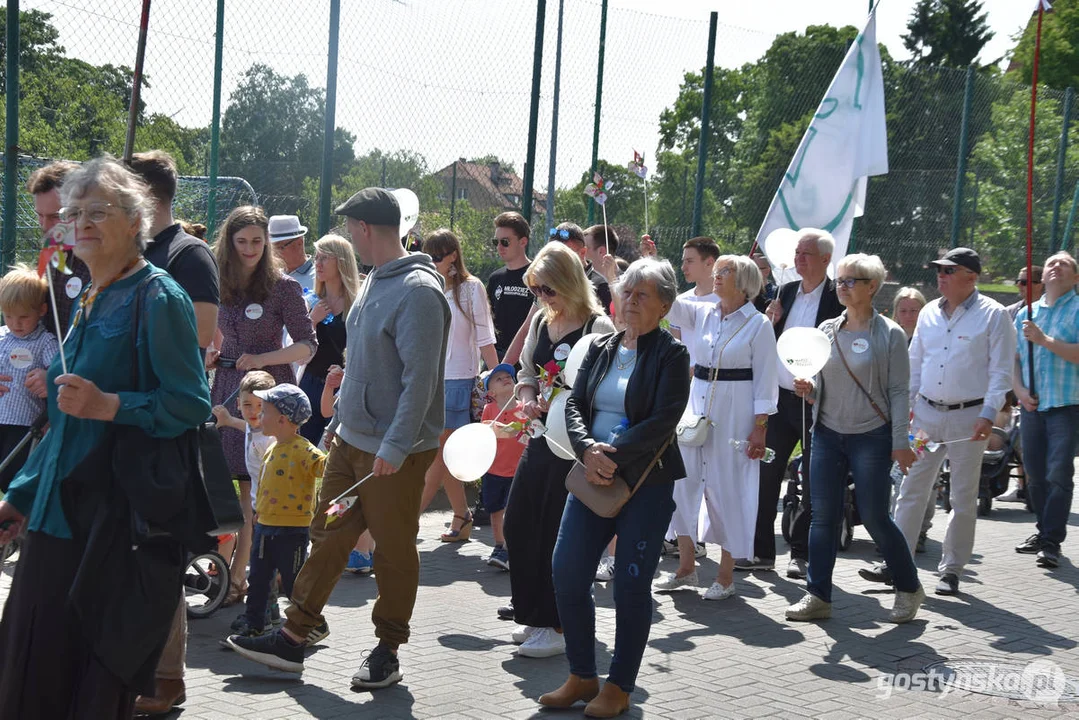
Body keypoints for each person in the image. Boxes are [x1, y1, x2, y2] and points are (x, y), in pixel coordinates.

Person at [0, 156, 211, 718]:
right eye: (74, 212)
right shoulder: (90, 296)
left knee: (85, 679)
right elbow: (66, 422)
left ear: (134, 219)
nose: (83, 222)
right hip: (54, 516)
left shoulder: (159, 296)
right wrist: (20, 497)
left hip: (109, 520)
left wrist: (112, 405)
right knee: (28, 665)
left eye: (100, 211)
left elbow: (190, 403)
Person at [228, 187, 449, 691]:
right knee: (327, 532)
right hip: (350, 447)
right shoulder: (374, 283)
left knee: (392, 552)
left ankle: (388, 648)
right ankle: (292, 638)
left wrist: (393, 448)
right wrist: (337, 425)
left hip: (395, 456)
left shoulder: (419, 292)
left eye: (352, 229)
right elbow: (360, 367)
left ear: (367, 229)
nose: (349, 238)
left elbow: (422, 383)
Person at [539, 258, 689, 717]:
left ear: (664, 305)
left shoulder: (672, 355)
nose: (630, 302)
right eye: (626, 293)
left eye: (642, 295)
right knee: (566, 572)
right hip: (591, 475)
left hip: (644, 481)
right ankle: (583, 675)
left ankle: (620, 685)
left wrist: (612, 454)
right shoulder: (602, 347)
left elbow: (664, 420)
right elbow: (574, 403)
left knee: (629, 585)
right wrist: (588, 451)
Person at [128, 149, 222, 717]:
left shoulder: (187, 255)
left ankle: (167, 680)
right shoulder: (131, 253)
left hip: (166, 425)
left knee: (161, 554)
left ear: (146, 196)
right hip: (127, 419)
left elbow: (202, 334)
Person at [864, 248, 1016, 596]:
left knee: (962, 496)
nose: (941, 276)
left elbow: (1001, 372)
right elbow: (914, 364)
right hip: (927, 416)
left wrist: (988, 414)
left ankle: (951, 569)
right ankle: (896, 563)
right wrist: (907, 410)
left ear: (971, 277)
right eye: (939, 270)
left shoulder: (993, 315)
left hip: (970, 418)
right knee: (911, 488)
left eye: (950, 270)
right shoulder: (930, 312)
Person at [784, 254, 925, 623]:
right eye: (840, 280)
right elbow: (822, 384)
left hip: (871, 437)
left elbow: (898, 391)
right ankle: (818, 596)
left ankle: (909, 588)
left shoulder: (890, 334)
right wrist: (808, 387)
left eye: (851, 281)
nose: (842, 287)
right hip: (827, 434)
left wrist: (900, 442)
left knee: (876, 517)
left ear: (872, 286)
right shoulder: (827, 330)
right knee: (821, 518)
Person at [504, 241, 615, 658]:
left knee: (555, 531)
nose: (542, 298)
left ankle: (558, 623)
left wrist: (562, 400)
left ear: (569, 283)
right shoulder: (540, 321)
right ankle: (533, 615)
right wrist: (528, 394)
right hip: (540, 435)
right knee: (519, 524)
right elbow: (526, 370)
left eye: (548, 290)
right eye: (536, 290)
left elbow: (603, 389)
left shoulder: (598, 328)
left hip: (574, 443)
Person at [208, 206, 316, 607]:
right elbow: (214, 336)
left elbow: (308, 345)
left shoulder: (284, 287)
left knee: (258, 488)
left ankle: (243, 577)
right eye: (242, 241)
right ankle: (226, 570)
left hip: (271, 394)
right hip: (228, 389)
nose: (251, 248)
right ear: (229, 244)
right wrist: (212, 354)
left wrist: (264, 358)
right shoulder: (220, 283)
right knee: (235, 484)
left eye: (258, 240)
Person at [655, 256, 778, 598]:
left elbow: (766, 382)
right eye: (717, 270)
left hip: (736, 413)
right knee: (683, 483)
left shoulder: (758, 325)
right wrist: (646, 265)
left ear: (745, 282)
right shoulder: (704, 312)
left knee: (727, 488)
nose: (717, 276)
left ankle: (725, 575)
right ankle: (686, 568)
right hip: (697, 407)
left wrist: (760, 427)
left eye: (726, 271)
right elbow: (668, 305)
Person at [741, 229, 842, 578]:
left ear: (826, 260)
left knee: (814, 480)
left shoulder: (837, 299)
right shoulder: (783, 293)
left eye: (807, 254)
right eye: (797, 253)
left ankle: (801, 553)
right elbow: (766, 341)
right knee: (767, 474)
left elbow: (840, 355)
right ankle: (761, 551)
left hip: (815, 403)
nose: (798, 259)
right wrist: (770, 320)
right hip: (780, 400)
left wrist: (816, 385)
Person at [225, 384, 326, 641]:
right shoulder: (270, 447)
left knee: (294, 584)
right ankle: (255, 624)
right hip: (265, 525)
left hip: (292, 531)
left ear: (282, 420)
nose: (259, 415)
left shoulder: (304, 450)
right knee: (258, 580)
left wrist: (334, 448)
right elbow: (266, 483)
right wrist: (259, 512)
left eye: (265, 411)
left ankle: (315, 624)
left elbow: (326, 469)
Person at [417, 229, 498, 540]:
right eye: (429, 256)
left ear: (453, 255)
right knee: (445, 454)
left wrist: (501, 379)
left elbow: (485, 338)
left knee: (439, 456)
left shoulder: (471, 288)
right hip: (432, 381)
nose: (433, 262)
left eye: (437, 256)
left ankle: (409, 520)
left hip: (459, 381)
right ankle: (462, 517)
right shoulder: (429, 286)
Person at [1011, 252, 1079, 569]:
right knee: (1035, 475)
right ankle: (1042, 532)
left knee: (1058, 473)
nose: (1056, 267)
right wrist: (1020, 391)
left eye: (1064, 264)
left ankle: (1052, 540)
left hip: (1066, 405)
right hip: (1032, 406)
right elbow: (1012, 358)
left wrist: (1044, 339)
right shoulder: (1028, 311)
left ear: (1076, 278)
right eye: (1051, 263)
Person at [661, 237, 719, 576]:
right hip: (690, 394)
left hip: (719, 393)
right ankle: (680, 537)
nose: (684, 267)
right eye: (682, 261)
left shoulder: (726, 302)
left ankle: (708, 537)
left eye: (690, 260)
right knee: (685, 467)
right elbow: (680, 347)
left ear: (710, 262)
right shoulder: (682, 302)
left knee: (711, 470)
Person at [299, 234, 361, 446]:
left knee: (336, 452)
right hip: (309, 381)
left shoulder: (358, 304)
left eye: (324, 257)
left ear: (341, 261)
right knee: (301, 451)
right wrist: (312, 322)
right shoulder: (310, 300)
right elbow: (298, 346)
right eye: (316, 257)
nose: (317, 263)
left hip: (341, 386)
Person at [0, 265, 58, 491]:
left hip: (25, 423)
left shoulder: (45, 342)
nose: (16, 323)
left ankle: (18, 517)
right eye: (8, 316)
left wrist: (49, 376)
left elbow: (59, 372)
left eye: (24, 316)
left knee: (11, 475)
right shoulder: (2, 335)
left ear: (42, 310)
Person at [889, 286, 935, 553]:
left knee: (918, 473)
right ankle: (896, 529)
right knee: (894, 477)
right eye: (903, 310)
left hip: (923, 422)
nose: (908, 316)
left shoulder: (931, 339)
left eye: (914, 310)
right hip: (893, 419)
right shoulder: (891, 340)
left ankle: (920, 530)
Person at [319, 364, 377, 575]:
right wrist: (329, 387)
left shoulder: (372, 383)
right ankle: (365, 550)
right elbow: (328, 410)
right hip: (346, 449)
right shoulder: (350, 382)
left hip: (362, 449)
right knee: (347, 502)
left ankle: (361, 551)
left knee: (354, 503)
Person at [24, 160, 91, 336]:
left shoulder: (102, 260)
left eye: (55, 216)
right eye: (39, 215)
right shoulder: (51, 250)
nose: (45, 225)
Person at [480, 363, 529, 570]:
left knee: (511, 510)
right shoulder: (489, 409)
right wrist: (493, 429)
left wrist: (515, 430)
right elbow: (483, 432)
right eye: (499, 379)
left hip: (517, 470)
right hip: (493, 470)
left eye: (508, 376)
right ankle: (499, 545)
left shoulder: (523, 408)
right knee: (495, 510)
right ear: (491, 392)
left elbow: (529, 434)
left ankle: (508, 549)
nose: (506, 379)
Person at [486, 211, 533, 362]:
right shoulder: (495, 278)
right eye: (496, 242)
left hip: (526, 359)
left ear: (523, 242)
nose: (499, 247)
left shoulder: (537, 277)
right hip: (496, 358)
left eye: (505, 242)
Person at [550, 222, 614, 313]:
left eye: (565, 255)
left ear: (583, 252)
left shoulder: (599, 286)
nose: (558, 260)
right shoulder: (548, 280)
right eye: (553, 254)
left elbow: (609, 323)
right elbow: (529, 323)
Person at [269, 215, 315, 292]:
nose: (274, 254)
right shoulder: (272, 278)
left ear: (299, 243)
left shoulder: (319, 277)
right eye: (272, 248)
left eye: (280, 247)